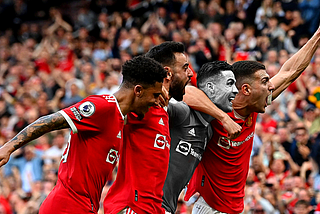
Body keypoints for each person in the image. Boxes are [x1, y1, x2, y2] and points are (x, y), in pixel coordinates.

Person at [0, 55, 167, 214]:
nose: (156, 100)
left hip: (83, 206)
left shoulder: (120, 117)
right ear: (138, 90)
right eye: (154, 95)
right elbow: (49, 120)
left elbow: (144, 69)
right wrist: (8, 147)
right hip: (66, 205)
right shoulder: (103, 107)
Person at [183, 24, 320, 214]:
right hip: (210, 207)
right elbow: (186, 93)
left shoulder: (255, 105)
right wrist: (223, 118)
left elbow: (289, 72)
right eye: (264, 81)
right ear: (246, 89)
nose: (271, 86)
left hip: (235, 207)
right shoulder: (216, 108)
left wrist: (318, 35)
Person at [103, 42, 241, 214]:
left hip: (161, 209)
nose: (191, 73)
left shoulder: (208, 129)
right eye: (185, 68)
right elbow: (189, 93)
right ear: (168, 73)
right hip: (133, 207)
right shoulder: (165, 109)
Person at [162, 61, 238, 214]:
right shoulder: (182, 112)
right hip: (147, 205)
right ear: (210, 87)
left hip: (167, 208)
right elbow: (186, 93)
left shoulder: (209, 131)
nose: (235, 90)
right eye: (230, 84)